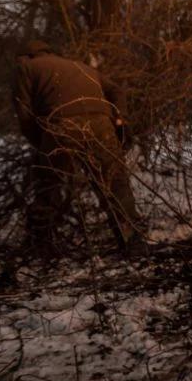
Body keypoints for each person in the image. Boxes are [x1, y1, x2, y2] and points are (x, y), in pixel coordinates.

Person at [12, 39, 145, 257]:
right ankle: (133, 242)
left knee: (49, 184)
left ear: (25, 56)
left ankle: (39, 245)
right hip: (101, 123)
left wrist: (40, 144)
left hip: (61, 124)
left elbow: (24, 112)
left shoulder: (25, 66)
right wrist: (120, 119)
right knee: (114, 182)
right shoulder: (80, 66)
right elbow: (117, 90)